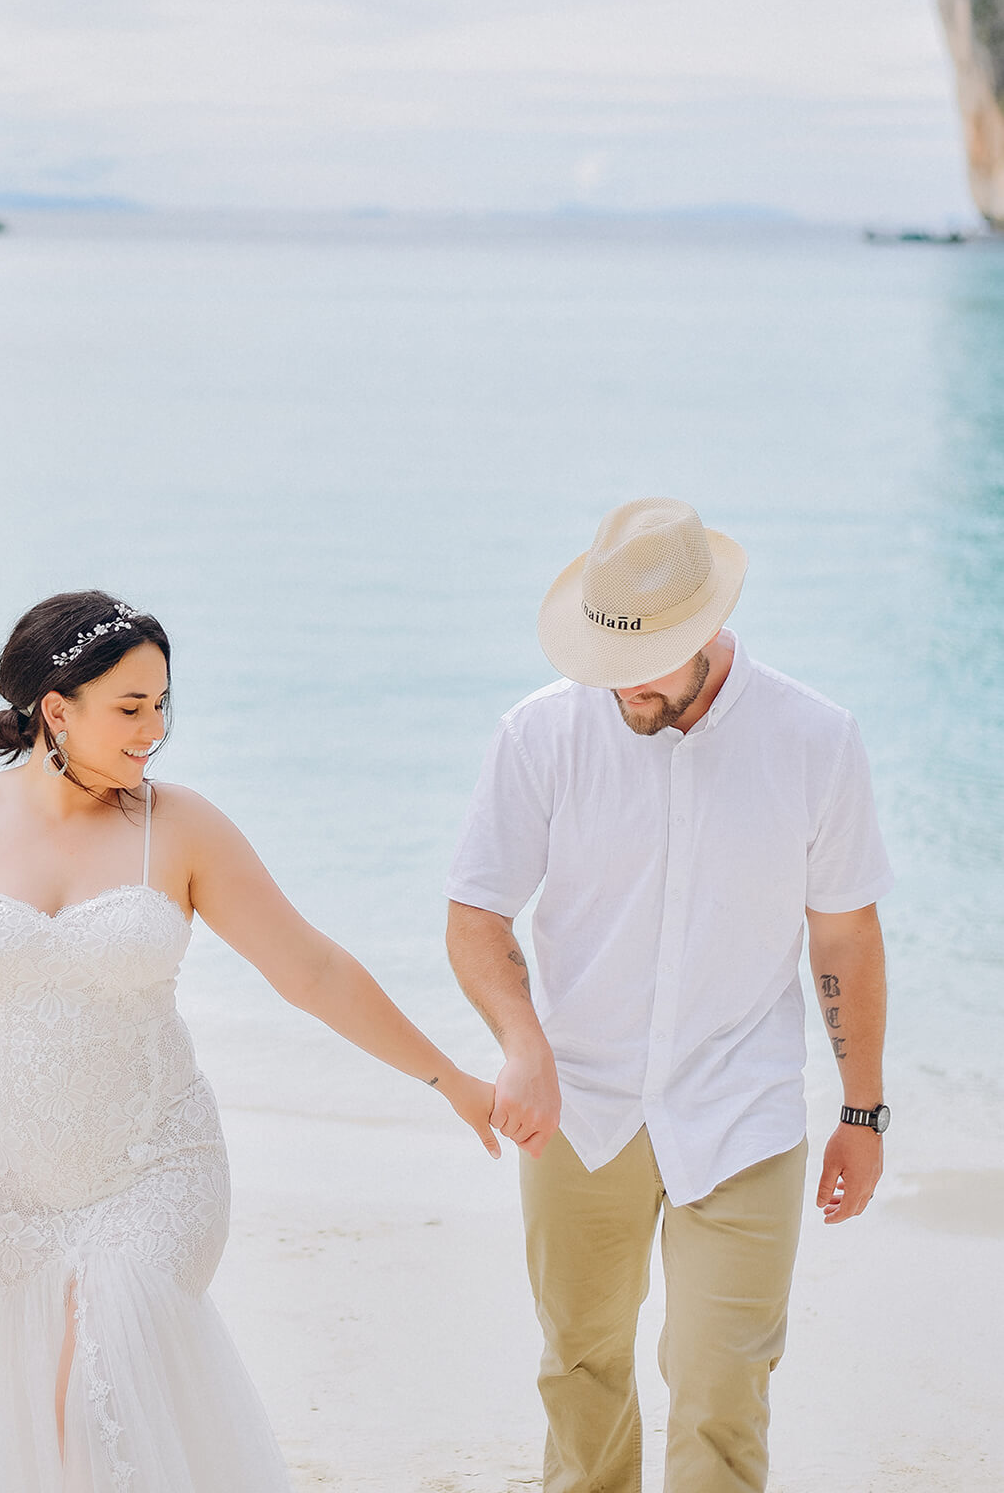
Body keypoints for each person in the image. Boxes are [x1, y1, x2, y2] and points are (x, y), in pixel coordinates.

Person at [0, 590, 498, 1492]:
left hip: (156, 1172)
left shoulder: (178, 828)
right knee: (62, 1442)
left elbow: (313, 973)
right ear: (55, 712)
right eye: (131, 709)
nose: (155, 732)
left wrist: (448, 1079)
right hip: (14, 1190)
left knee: (88, 1409)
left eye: (164, 705)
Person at [446, 498, 893, 1493]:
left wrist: (860, 1109)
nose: (615, 686)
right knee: (579, 1370)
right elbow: (475, 914)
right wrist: (521, 1042)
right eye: (601, 658)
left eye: (640, 661)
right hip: (577, 1109)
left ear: (705, 631)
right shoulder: (539, 732)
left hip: (741, 1109)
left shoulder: (814, 739)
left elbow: (843, 933)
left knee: (721, 1389)